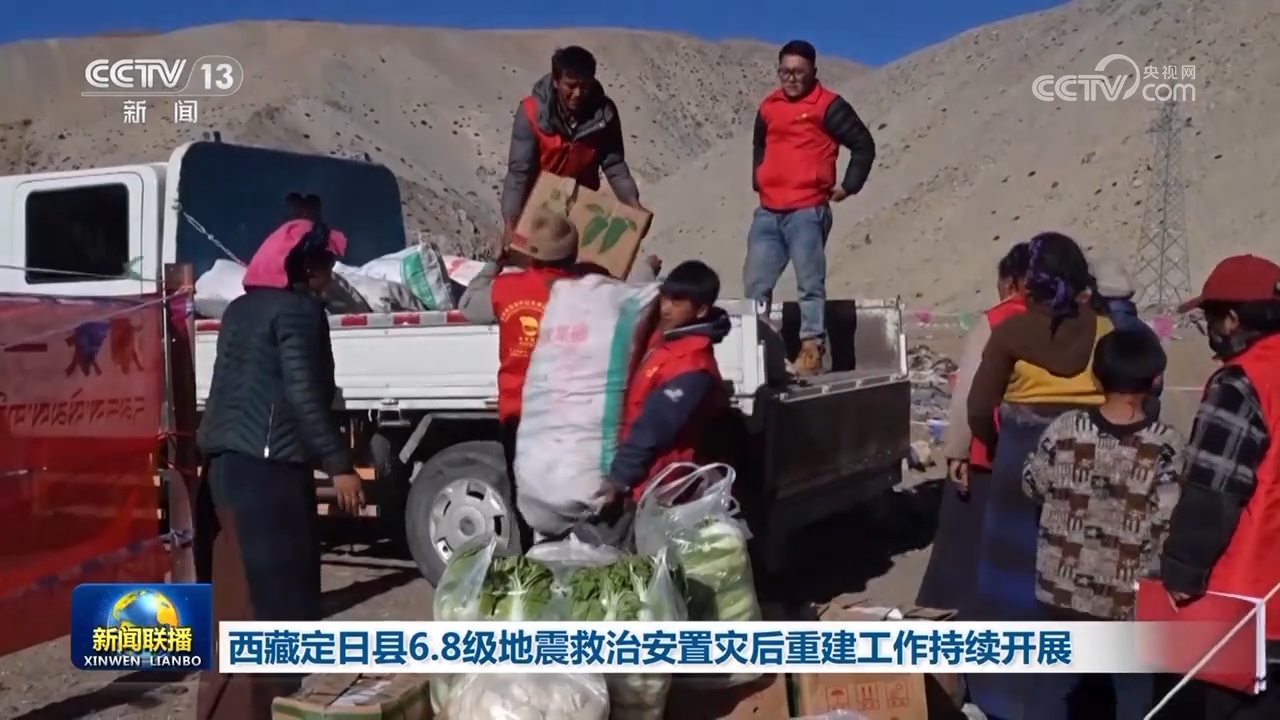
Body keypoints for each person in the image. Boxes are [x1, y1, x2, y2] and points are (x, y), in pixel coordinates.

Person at [196, 202, 362, 719]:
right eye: (326, 264)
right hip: (268, 476)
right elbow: (303, 396)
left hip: (223, 469)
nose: (331, 274)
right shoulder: (299, 313)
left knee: (234, 606)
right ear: (305, 267)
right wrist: (339, 466)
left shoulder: (240, 311)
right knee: (279, 611)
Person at [963, 231, 1114, 720]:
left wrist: (999, 443)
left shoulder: (1012, 333)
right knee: (1082, 580)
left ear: (1030, 283)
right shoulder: (1107, 331)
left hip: (1020, 461)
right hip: (1090, 462)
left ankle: (1003, 697)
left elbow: (978, 407)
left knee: (1014, 581)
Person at [1022, 329, 1183, 720]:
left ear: (1096, 377)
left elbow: (1032, 484)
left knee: (1050, 691)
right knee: (1134, 697)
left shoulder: (1065, 429)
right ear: (1156, 380)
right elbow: (1168, 519)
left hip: (1060, 592)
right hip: (1128, 600)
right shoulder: (1166, 445)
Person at [1159, 255, 1280, 718]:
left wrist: (1182, 573)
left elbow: (1213, 492)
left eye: (1210, 319)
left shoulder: (1241, 383)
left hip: (1252, 600)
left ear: (1231, 319)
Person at [745, 39, 876, 376]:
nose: (791, 78)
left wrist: (849, 185)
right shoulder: (769, 106)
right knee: (756, 285)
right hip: (768, 211)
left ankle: (812, 349)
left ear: (813, 72)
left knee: (809, 284)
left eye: (798, 72)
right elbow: (760, 143)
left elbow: (863, 144)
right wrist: (759, 178)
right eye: (785, 71)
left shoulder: (829, 105)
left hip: (807, 210)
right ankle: (755, 348)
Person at [916, 242, 1030, 614]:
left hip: (991, 450)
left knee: (962, 549)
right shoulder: (1068, 320)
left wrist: (958, 451)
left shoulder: (997, 320)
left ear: (1010, 282)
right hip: (1045, 455)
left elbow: (969, 392)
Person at [595, 260, 733, 548]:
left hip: (663, 485)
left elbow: (655, 426)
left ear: (700, 310)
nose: (666, 308)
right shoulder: (667, 340)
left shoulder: (691, 364)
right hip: (644, 478)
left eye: (677, 302)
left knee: (649, 560)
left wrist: (619, 478)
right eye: (665, 299)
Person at [499, 45, 642, 251]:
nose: (578, 93)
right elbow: (518, 173)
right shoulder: (531, 112)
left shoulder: (605, 116)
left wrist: (633, 204)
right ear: (556, 81)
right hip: (538, 209)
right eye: (571, 86)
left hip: (580, 208)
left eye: (585, 86)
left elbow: (615, 165)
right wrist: (510, 222)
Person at [1091, 255, 1165, 419]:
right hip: (1137, 415)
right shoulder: (1145, 333)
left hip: (1099, 415)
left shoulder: (1089, 328)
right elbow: (1156, 385)